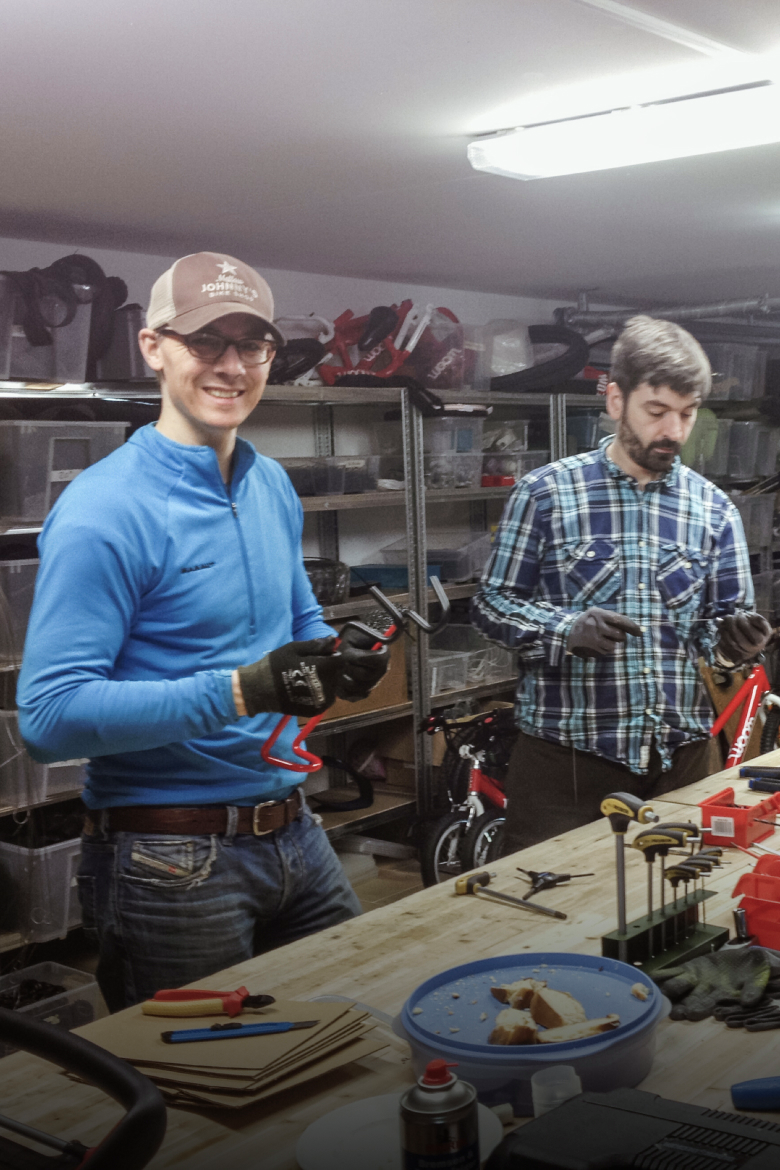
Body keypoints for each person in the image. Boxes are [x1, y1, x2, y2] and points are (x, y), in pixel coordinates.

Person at [17, 251, 389, 1011]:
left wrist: (338, 654)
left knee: (353, 1033)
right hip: (168, 857)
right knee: (204, 1109)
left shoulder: (267, 481)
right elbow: (49, 721)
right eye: (204, 343)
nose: (230, 366)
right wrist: (241, 689)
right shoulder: (104, 510)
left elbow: (299, 622)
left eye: (249, 345)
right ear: (154, 348)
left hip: (295, 828)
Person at [471, 315, 772, 855]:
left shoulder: (715, 510)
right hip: (565, 763)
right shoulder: (545, 494)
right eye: (657, 412)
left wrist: (733, 642)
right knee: (544, 916)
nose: (674, 432)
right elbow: (492, 605)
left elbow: (715, 633)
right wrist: (565, 629)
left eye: (687, 414)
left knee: (676, 916)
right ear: (615, 401)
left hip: (680, 760)